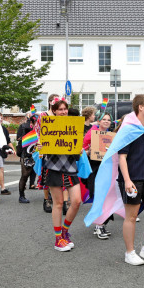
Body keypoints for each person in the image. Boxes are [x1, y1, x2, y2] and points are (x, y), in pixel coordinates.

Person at [84, 95, 144, 265]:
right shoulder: (128, 128)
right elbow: (122, 158)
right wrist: (128, 181)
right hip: (132, 179)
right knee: (131, 216)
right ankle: (129, 253)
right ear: (140, 108)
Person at [35, 99, 86, 251]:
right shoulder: (48, 126)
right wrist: (40, 147)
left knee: (76, 201)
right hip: (53, 168)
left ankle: (65, 231)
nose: (63, 111)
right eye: (60, 109)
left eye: (65, 109)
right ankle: (58, 239)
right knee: (57, 204)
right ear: (54, 111)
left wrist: (80, 151)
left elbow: (76, 152)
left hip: (70, 168)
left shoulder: (73, 126)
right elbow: (41, 151)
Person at [83, 111, 114, 239]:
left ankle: (101, 224)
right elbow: (83, 149)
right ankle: (98, 226)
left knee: (107, 197)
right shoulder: (92, 133)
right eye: (104, 119)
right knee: (100, 197)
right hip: (95, 169)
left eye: (108, 120)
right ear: (99, 121)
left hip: (107, 169)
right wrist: (89, 151)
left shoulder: (111, 136)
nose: (106, 121)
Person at [16, 112, 38, 203]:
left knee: (45, 175)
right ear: (32, 123)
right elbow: (19, 139)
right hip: (27, 154)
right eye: (36, 122)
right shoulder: (24, 127)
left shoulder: (43, 129)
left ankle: (48, 197)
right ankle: (21, 196)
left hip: (39, 154)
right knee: (25, 175)